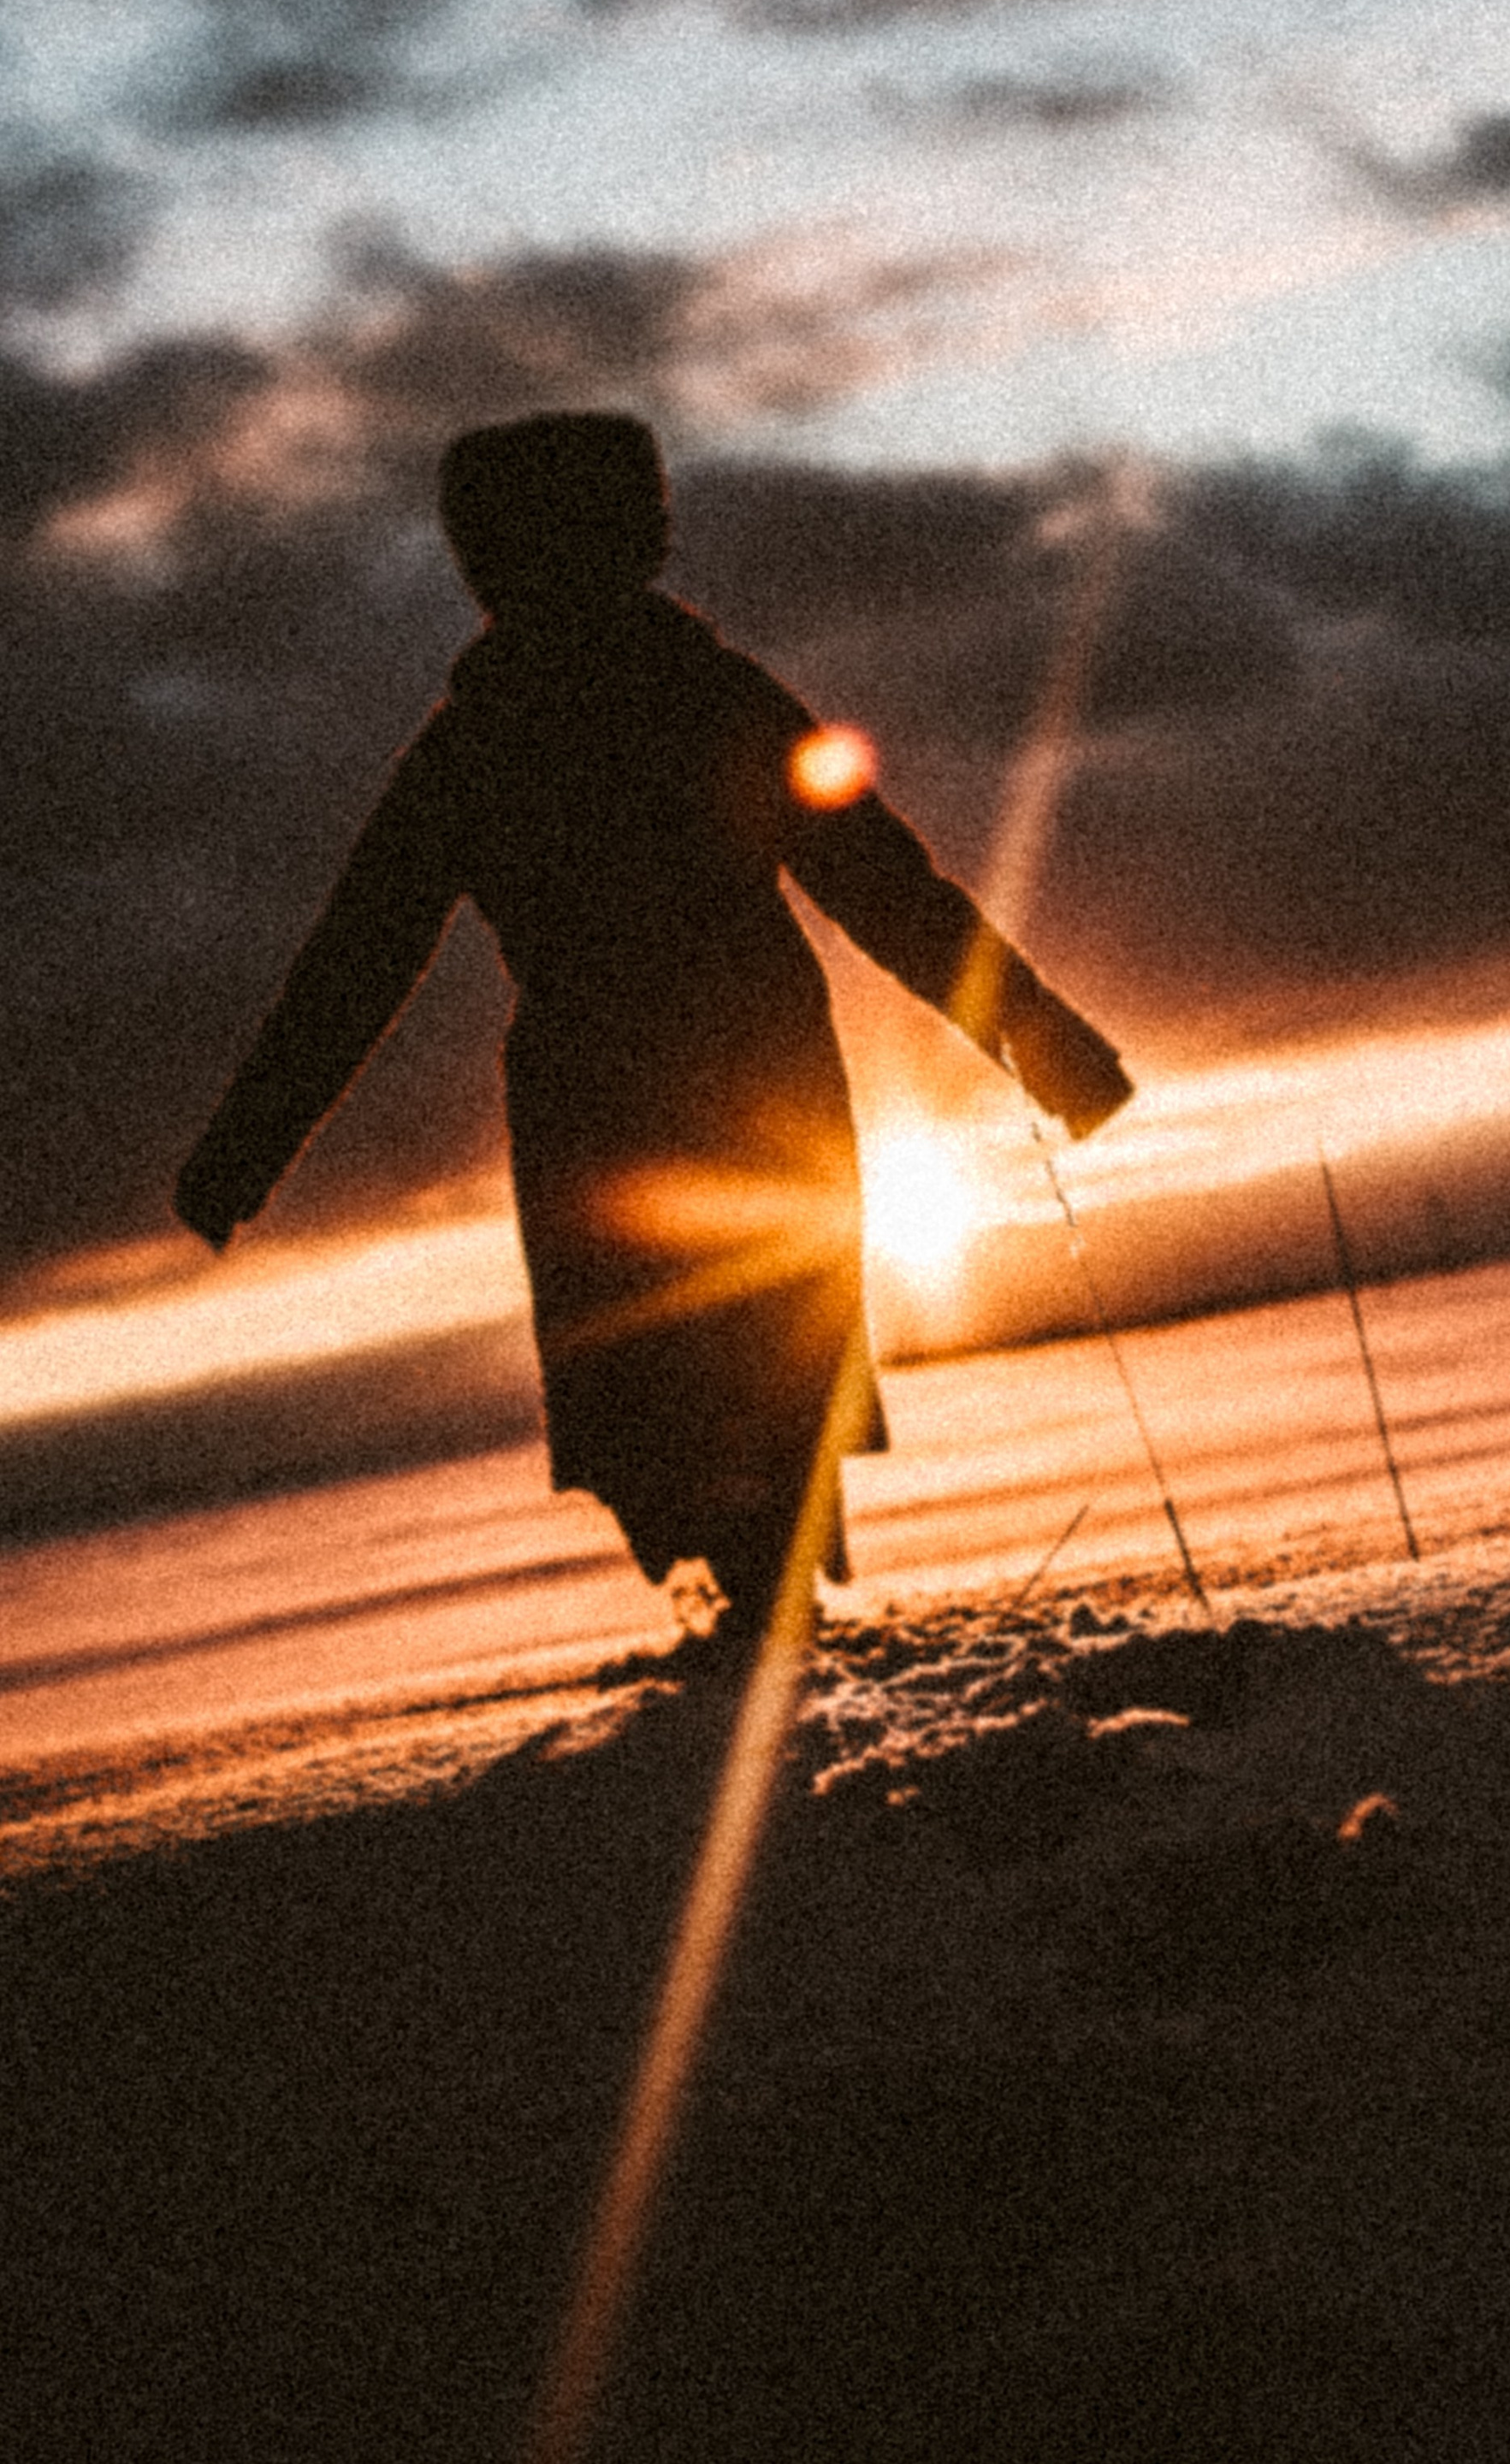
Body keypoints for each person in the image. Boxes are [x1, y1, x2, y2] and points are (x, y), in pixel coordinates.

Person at [174, 410, 1131, 1655]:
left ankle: (755, 1611)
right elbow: (360, 959)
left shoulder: (525, 733)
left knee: (715, 1381)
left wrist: (1042, 1040)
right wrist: (1044, 1040)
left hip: (647, 1095)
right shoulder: (633, 712)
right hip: (708, 1086)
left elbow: (877, 881)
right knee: (714, 1384)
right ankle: (753, 1602)